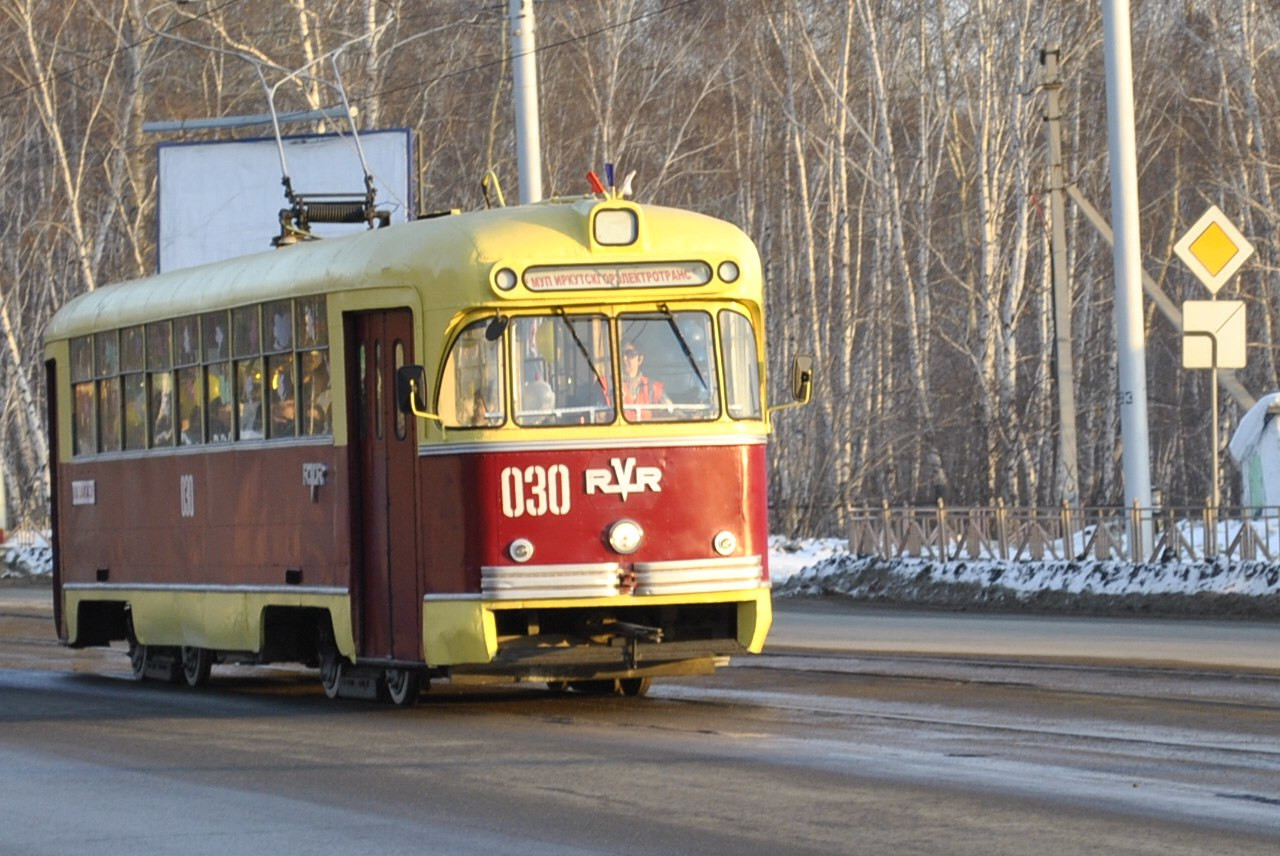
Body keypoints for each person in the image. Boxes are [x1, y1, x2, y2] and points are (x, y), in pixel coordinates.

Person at [620, 343, 670, 420]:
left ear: (640, 359)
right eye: (621, 354)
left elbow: (671, 412)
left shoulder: (654, 388)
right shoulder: (607, 385)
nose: (624, 358)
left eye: (630, 354)